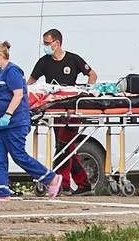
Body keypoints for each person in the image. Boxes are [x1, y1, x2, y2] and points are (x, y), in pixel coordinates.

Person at [0, 41, 62, 201]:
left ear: (0, 55)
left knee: (18, 155)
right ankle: (2, 191)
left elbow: (18, 94)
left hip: (15, 122)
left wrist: (8, 114)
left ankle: (51, 178)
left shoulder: (13, 71)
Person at [28, 28, 98, 196]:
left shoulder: (73, 59)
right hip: (54, 110)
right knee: (68, 148)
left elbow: (92, 75)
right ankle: (83, 185)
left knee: (64, 146)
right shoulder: (44, 62)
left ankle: (63, 183)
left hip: (71, 109)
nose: (45, 46)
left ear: (57, 43)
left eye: (47, 43)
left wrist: (88, 90)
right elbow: (31, 81)